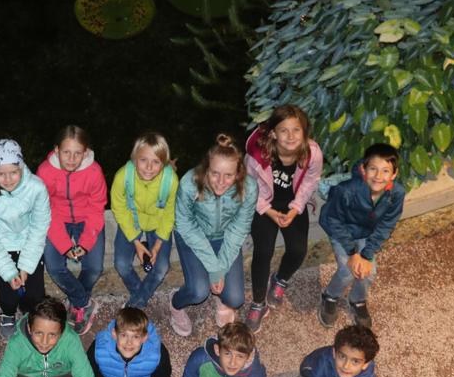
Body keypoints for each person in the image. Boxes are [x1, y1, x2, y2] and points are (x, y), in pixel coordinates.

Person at [243, 106, 323, 333]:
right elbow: (249, 188)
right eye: (284, 130)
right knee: (263, 252)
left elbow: (310, 181)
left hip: (290, 204)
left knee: (298, 249)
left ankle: (280, 279)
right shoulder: (258, 156)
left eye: (296, 130)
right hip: (264, 204)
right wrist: (267, 211)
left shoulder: (312, 153)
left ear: (304, 131)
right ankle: (258, 302)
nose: (290, 136)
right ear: (273, 133)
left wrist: (296, 208)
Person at [170, 134, 257, 336]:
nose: (220, 182)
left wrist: (221, 266)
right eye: (214, 173)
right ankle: (174, 305)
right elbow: (185, 223)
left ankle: (220, 296)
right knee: (198, 291)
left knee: (235, 299)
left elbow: (239, 227)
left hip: (225, 238)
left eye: (228, 175)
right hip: (192, 235)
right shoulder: (189, 183)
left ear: (238, 173)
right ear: (205, 168)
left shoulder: (250, 188)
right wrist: (214, 268)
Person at [318, 143, 406, 329]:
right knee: (347, 270)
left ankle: (357, 299)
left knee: (368, 271)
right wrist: (352, 253)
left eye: (385, 171)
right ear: (363, 169)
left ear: (394, 174)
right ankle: (330, 295)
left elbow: (386, 225)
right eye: (373, 169)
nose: (378, 176)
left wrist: (366, 254)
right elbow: (332, 219)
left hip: (367, 233)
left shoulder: (396, 194)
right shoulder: (346, 190)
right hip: (343, 231)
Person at [0, 138, 51, 338]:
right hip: (1, 246)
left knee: (35, 293)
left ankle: (31, 315)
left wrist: (25, 266)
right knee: (7, 294)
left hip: (29, 244)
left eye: (13, 172)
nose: (8, 179)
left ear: (21, 166)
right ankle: (7, 313)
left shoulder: (37, 188)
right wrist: (9, 271)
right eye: (1, 174)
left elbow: (39, 226)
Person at [37, 125, 107, 334]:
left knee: (94, 268)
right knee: (54, 266)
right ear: (56, 150)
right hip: (56, 219)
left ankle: (76, 302)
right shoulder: (45, 171)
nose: (71, 158)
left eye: (78, 153)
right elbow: (45, 208)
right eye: (66, 152)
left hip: (87, 219)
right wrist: (65, 245)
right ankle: (84, 302)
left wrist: (85, 243)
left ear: (85, 152)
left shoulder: (94, 171)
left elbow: (97, 209)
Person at [110, 131, 179, 310]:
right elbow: (118, 207)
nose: (149, 167)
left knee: (161, 267)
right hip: (132, 221)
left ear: (163, 163)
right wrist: (136, 242)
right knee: (121, 264)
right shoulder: (122, 176)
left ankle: (136, 303)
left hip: (158, 224)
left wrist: (156, 246)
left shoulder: (171, 181)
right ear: (134, 158)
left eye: (156, 162)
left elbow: (169, 214)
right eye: (143, 160)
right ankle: (140, 295)